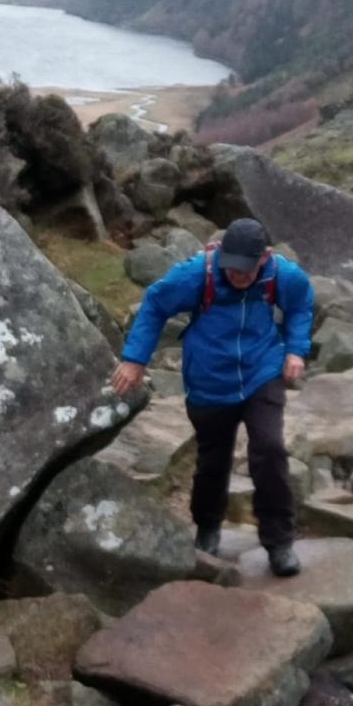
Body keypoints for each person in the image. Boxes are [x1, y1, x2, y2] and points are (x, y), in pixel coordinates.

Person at [112, 218, 314, 576]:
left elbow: (300, 304)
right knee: (213, 460)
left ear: (265, 257)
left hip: (261, 372)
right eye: (230, 268)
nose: (237, 276)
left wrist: (296, 350)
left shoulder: (282, 275)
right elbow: (155, 303)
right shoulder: (197, 274)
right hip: (209, 379)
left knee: (269, 449)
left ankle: (279, 541)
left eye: (245, 270)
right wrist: (135, 359)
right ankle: (207, 526)